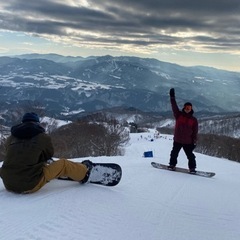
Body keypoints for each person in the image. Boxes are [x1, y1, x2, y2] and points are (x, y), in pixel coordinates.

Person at [0, 112, 93, 194]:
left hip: (8, 183)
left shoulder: (11, 138)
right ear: (37, 123)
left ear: (22, 122)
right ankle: (85, 173)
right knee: (63, 164)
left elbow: (12, 154)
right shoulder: (42, 137)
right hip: (29, 184)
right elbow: (49, 154)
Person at [168, 88, 198, 173]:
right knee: (174, 153)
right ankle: (172, 165)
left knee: (190, 156)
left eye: (189, 108)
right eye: (186, 107)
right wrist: (172, 97)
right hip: (177, 140)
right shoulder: (178, 115)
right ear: (184, 108)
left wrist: (194, 141)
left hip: (188, 142)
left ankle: (192, 168)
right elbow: (174, 106)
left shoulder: (194, 120)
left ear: (191, 109)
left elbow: (195, 131)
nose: (188, 109)